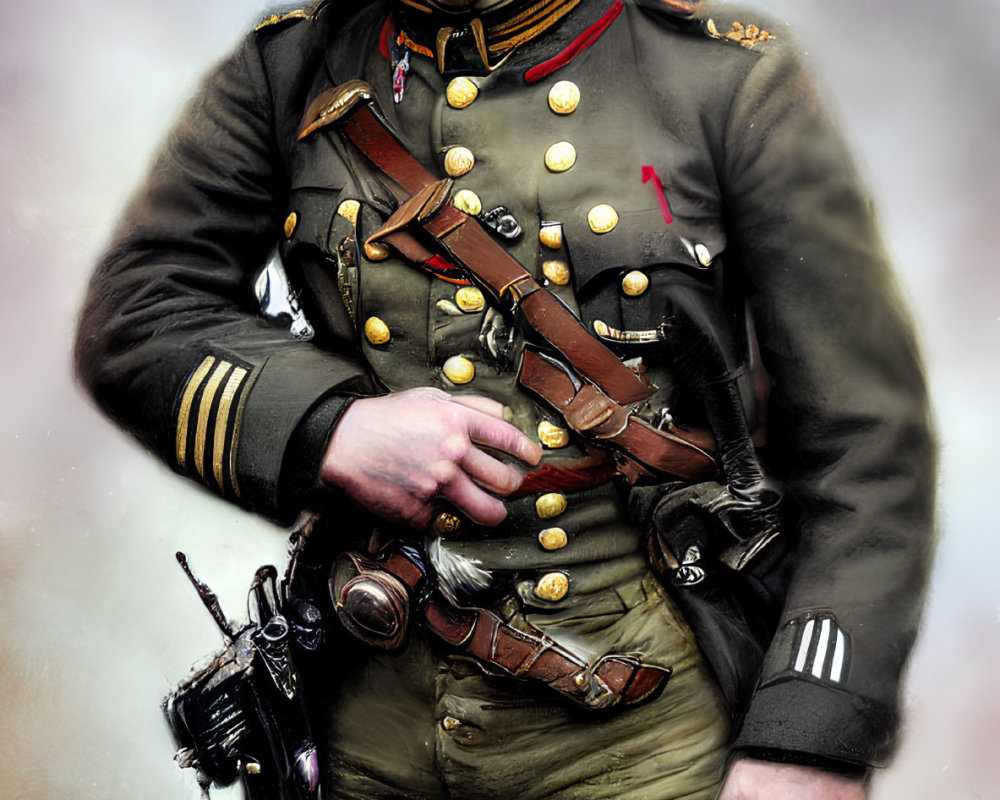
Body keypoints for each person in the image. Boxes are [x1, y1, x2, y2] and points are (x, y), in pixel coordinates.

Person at [75, 0, 936, 797]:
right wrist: (330, 427)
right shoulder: (294, 62)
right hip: (363, 726)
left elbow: (868, 444)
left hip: (648, 742)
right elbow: (139, 310)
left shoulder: (721, 77)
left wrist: (810, 737)